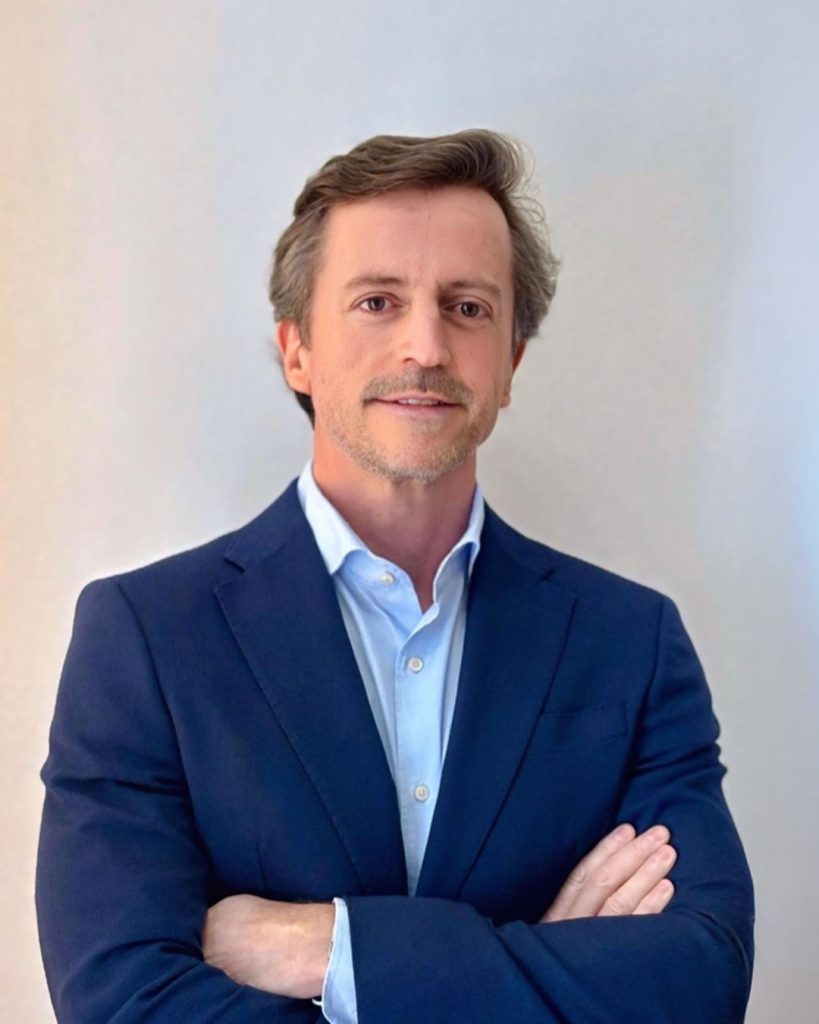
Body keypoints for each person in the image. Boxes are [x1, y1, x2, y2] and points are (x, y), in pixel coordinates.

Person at [35, 130, 754, 1023]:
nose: (426, 345)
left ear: (510, 364)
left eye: (467, 307)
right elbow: (121, 1003)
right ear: (297, 350)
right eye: (377, 302)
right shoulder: (146, 636)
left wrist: (329, 948)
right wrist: (540, 965)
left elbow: (698, 981)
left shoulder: (629, 644)